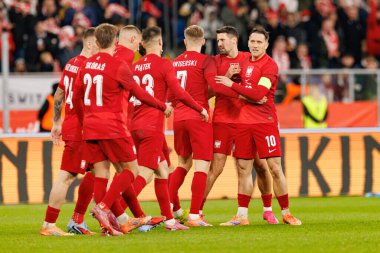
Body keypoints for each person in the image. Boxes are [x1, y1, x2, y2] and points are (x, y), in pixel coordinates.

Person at [73, 23, 173, 236]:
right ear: (116, 41)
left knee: (101, 174)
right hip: (112, 127)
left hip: (90, 128)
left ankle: (117, 223)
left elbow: (76, 98)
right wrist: (162, 105)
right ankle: (103, 208)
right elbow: (139, 92)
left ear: (97, 42)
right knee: (130, 170)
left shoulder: (86, 65)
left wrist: (85, 122)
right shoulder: (118, 65)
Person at [215, 26, 302, 225]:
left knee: (274, 167)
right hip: (243, 123)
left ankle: (286, 212)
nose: (255, 45)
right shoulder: (243, 61)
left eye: (259, 42)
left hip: (265, 122)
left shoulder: (270, 65)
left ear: (266, 45)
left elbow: (259, 95)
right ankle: (242, 216)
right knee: (243, 168)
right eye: (252, 41)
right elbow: (235, 91)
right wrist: (231, 81)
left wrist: (234, 87)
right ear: (248, 43)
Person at [131, 26, 210, 230]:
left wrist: (167, 106)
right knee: (147, 173)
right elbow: (181, 92)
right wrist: (200, 108)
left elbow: (162, 96)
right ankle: (116, 211)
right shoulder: (166, 63)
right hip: (154, 125)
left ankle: (171, 217)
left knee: (165, 168)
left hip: (140, 123)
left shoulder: (135, 66)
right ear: (160, 43)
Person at [204, 26, 278, 226]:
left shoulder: (248, 58)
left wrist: (256, 96)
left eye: (222, 40)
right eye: (217, 40)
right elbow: (209, 92)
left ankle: (268, 210)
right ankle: (197, 212)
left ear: (234, 40)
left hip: (248, 119)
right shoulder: (213, 62)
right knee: (216, 168)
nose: (219, 44)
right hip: (223, 120)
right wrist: (227, 77)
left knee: (260, 166)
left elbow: (258, 89)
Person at [169, 25, 237, 227]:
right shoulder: (205, 61)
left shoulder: (175, 63)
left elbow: (171, 95)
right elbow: (215, 87)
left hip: (179, 118)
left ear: (184, 41)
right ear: (204, 42)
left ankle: (171, 208)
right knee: (201, 167)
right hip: (200, 117)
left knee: (183, 164)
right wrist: (231, 79)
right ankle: (195, 215)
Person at [40, 27, 99, 236]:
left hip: (76, 125)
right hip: (81, 128)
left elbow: (59, 94)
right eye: (99, 44)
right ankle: (49, 224)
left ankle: (77, 220)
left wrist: (57, 122)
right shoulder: (88, 66)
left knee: (97, 171)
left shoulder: (71, 63)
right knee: (66, 176)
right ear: (90, 44)